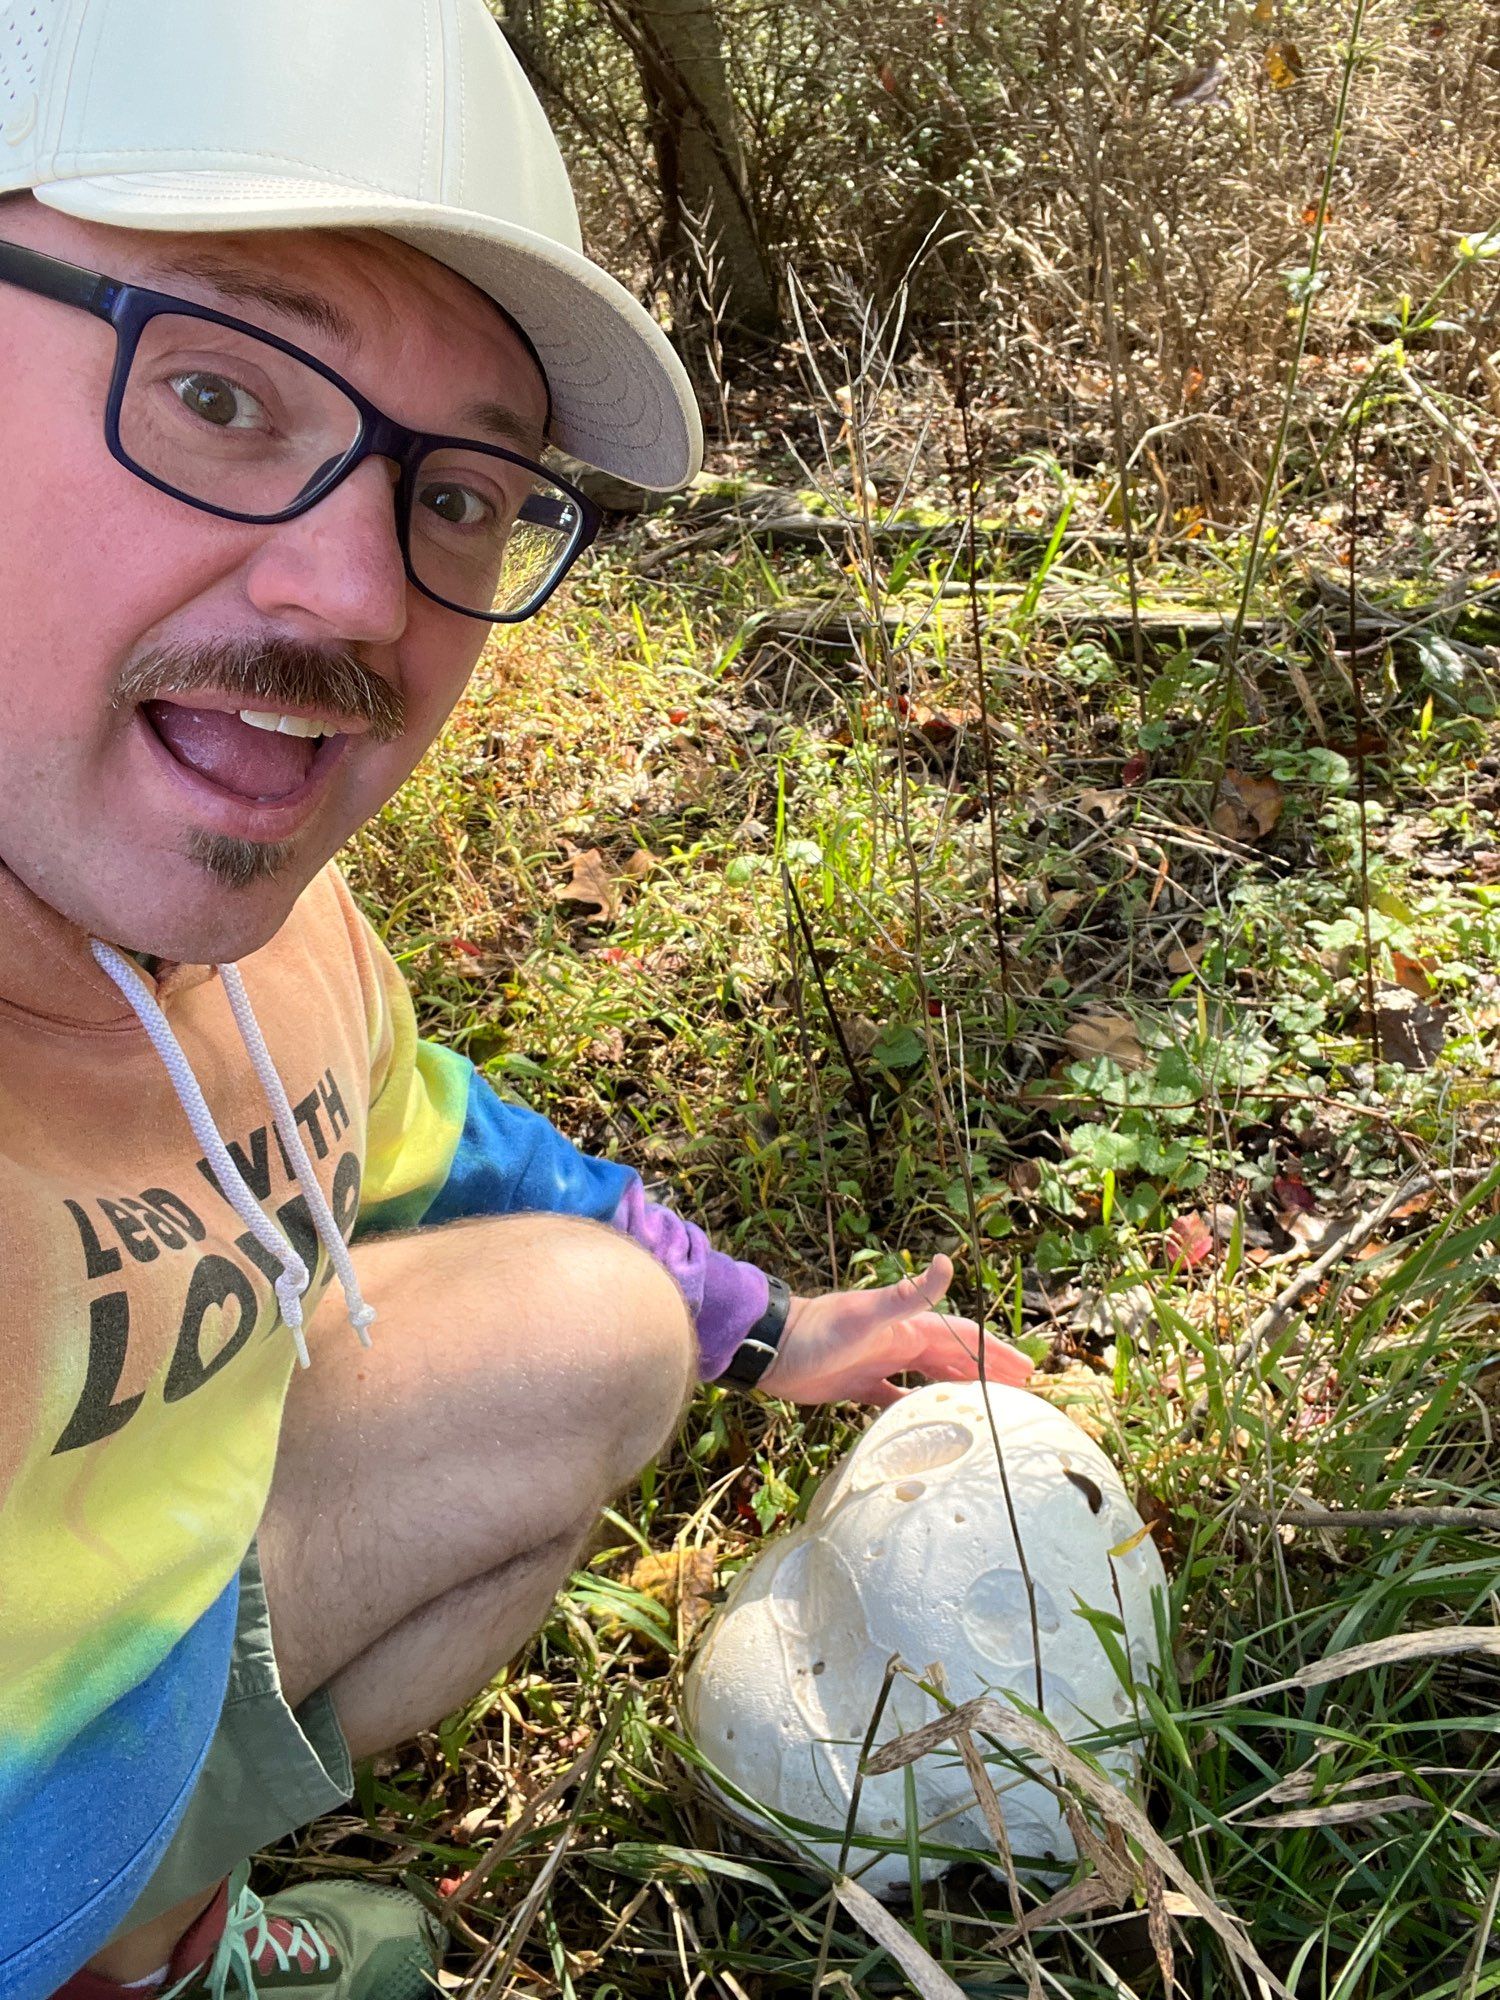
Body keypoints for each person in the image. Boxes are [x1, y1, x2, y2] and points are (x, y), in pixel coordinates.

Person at [0, 2, 1034, 1995]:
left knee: (606, 1326)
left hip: (131, 1646)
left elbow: (424, 1119)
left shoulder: (280, 933)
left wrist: (765, 1322)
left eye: (460, 493)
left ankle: (151, 1924)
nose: (358, 593)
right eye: (218, 392)